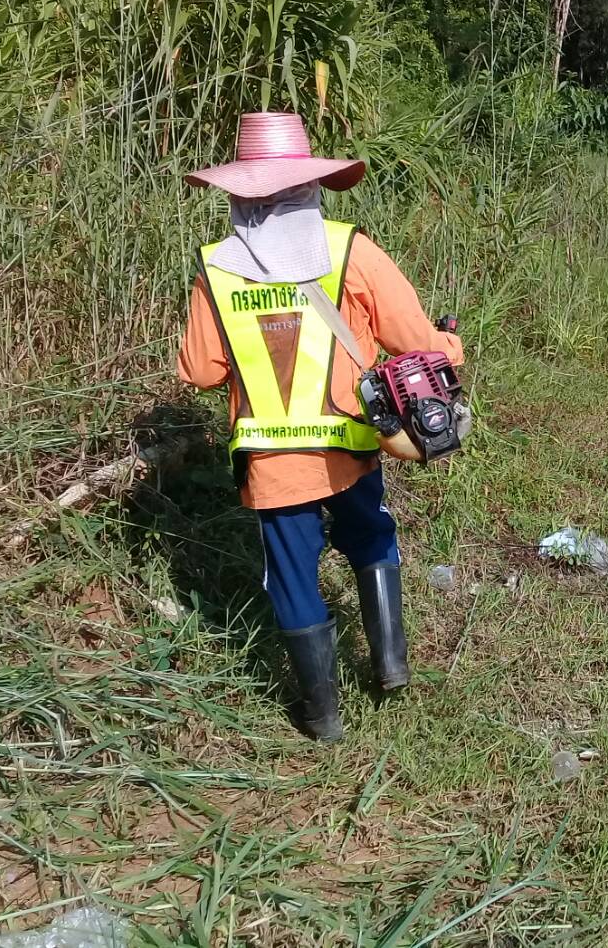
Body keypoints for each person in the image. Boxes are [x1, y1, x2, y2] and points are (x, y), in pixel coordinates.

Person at [176, 111, 463, 743]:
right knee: (372, 536)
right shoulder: (350, 250)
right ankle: (390, 664)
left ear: (239, 193)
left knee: (291, 576)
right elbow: (415, 340)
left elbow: (199, 370)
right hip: (351, 448)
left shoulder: (216, 268)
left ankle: (322, 716)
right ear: (310, 185)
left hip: (272, 466)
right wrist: (451, 344)